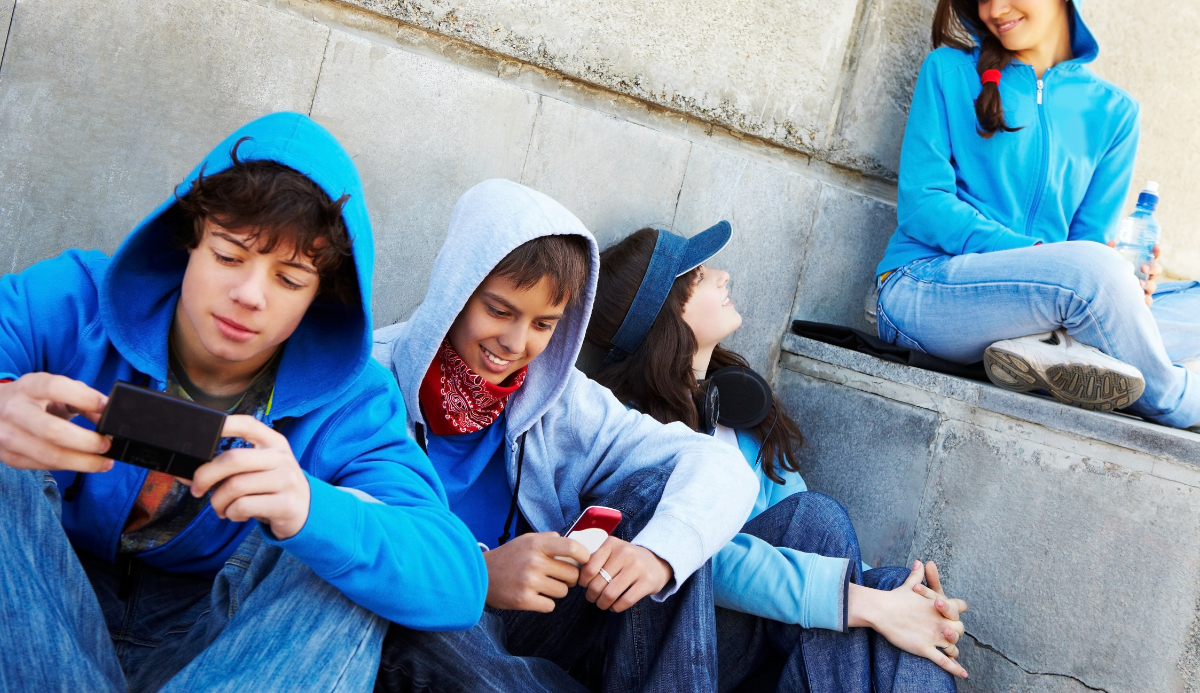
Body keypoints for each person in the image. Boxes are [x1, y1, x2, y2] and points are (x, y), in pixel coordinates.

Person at [0, 113, 486, 692]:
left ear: (319, 295)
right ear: (190, 240)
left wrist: (310, 509)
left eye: (289, 279)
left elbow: (459, 579)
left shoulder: (354, 403)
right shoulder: (69, 298)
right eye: (229, 256)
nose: (249, 296)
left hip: (218, 647)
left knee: (349, 553)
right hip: (35, 606)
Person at [371, 179, 759, 693]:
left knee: (658, 495)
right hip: (433, 622)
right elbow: (344, 536)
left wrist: (659, 555)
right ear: (456, 288)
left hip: (538, 628)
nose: (515, 343)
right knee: (424, 630)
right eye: (499, 310)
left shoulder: (559, 395)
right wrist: (480, 574)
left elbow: (716, 464)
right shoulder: (371, 380)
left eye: (544, 323)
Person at [586, 223, 967, 691]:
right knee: (817, 521)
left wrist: (912, 608)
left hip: (779, 647)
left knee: (895, 592)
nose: (724, 276)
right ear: (664, 315)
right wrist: (862, 604)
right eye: (700, 276)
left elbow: (830, 560)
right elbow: (702, 560)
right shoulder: (632, 431)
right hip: (692, 643)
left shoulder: (741, 414)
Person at [873, 0, 1200, 427]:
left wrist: (1127, 280)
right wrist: (1048, 258)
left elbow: (1088, 242)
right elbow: (924, 206)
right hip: (927, 289)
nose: (995, 8)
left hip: (1047, 305)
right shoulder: (948, 71)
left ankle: (1055, 353)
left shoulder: (1114, 113)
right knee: (1091, 273)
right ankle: (1175, 399)